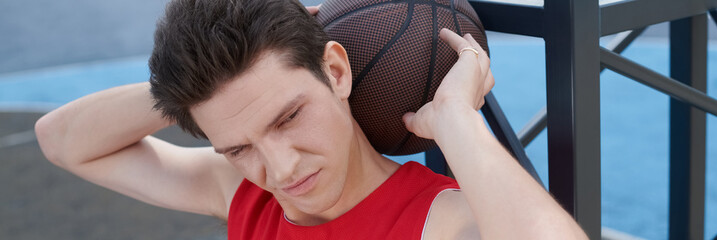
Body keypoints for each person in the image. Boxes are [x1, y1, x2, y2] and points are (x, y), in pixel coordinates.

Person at [35, 0, 588, 239]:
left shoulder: (438, 220)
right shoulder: (244, 192)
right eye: (237, 147)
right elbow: (61, 141)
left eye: (289, 116)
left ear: (336, 70)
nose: (280, 170)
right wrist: (187, 92)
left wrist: (458, 122)